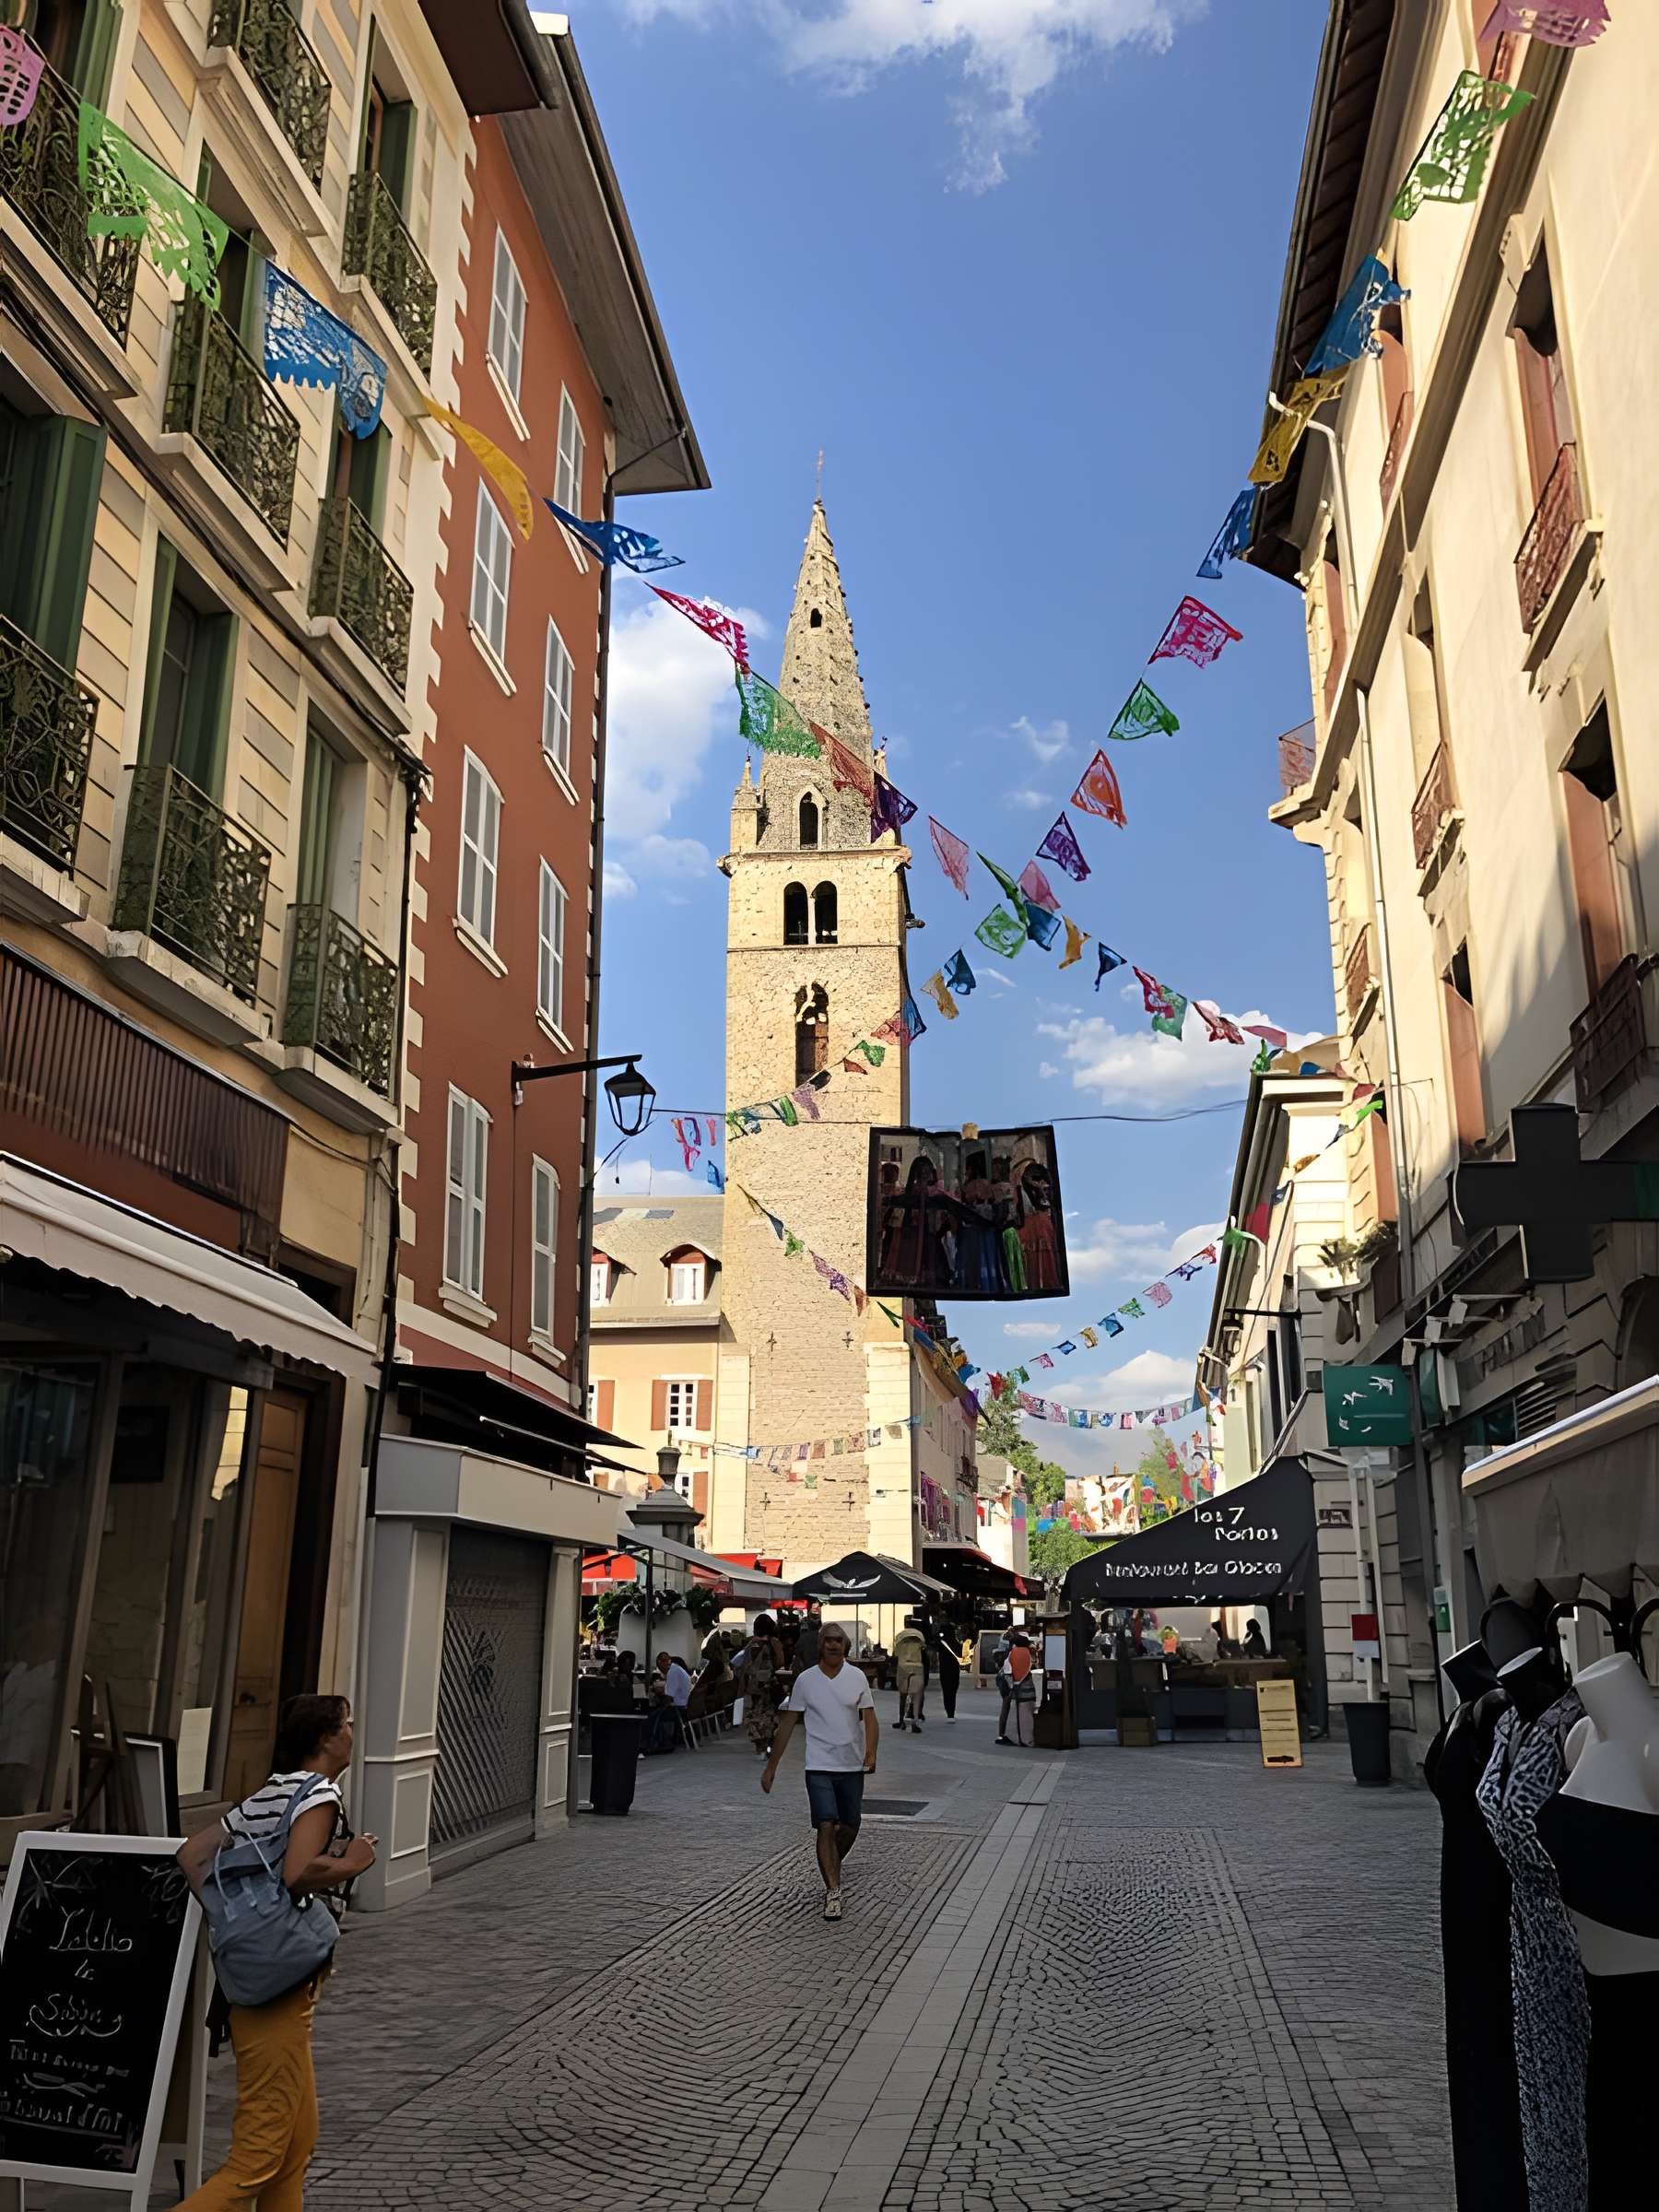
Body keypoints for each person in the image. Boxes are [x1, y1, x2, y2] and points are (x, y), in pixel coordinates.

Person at [174, 1695, 376, 2211]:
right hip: (279, 1986)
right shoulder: (319, 1795)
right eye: (347, 1724)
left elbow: (192, 1856)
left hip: (255, 1977)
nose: (353, 1733)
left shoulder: (273, 1791)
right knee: (257, 2158)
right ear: (326, 1738)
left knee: (293, 2150)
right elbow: (298, 1872)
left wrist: (234, 1919)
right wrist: (356, 1861)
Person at [761, 1623, 877, 1921]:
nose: (834, 1645)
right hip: (818, 1765)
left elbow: (869, 1717)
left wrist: (871, 1752)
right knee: (826, 1824)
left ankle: (831, 1861)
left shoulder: (857, 1677)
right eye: (829, 1640)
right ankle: (833, 1891)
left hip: (850, 1764)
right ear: (821, 1645)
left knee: (850, 1825)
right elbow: (788, 1723)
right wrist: (772, 1765)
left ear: (845, 1645)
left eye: (839, 1640)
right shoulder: (806, 1681)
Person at [744, 1615, 785, 1755]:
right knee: (769, 1714)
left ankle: (759, 1746)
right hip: (768, 1685)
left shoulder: (750, 1644)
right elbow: (780, 1662)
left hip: (752, 1686)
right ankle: (769, 1745)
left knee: (755, 1715)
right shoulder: (774, 1643)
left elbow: (743, 1666)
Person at [646, 1650, 691, 1752]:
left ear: (662, 1663)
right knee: (656, 1713)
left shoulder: (672, 1672)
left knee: (652, 1716)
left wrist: (659, 1703)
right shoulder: (676, 1668)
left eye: (659, 1667)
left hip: (679, 1708)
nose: (660, 1670)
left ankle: (654, 1744)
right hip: (683, 1705)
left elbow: (669, 1698)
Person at [891, 1612, 928, 1733]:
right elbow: (924, 1652)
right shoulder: (920, 1636)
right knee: (916, 1695)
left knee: (903, 1695)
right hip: (917, 1666)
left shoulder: (900, 1636)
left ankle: (901, 1720)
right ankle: (915, 1721)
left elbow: (895, 1653)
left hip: (903, 1666)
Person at [1003, 1634, 1035, 1746]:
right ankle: (1028, 1739)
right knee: (1027, 1715)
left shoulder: (1013, 1653)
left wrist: (1011, 1686)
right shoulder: (1028, 1653)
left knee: (1016, 1715)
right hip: (1029, 1688)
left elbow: (1008, 1672)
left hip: (1017, 1689)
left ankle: (1016, 1738)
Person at [929, 1616, 961, 1722]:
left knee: (946, 1691)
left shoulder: (941, 1643)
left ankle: (949, 1714)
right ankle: (951, 1712)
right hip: (955, 1669)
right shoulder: (956, 1643)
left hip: (944, 1669)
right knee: (953, 1691)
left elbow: (933, 1642)